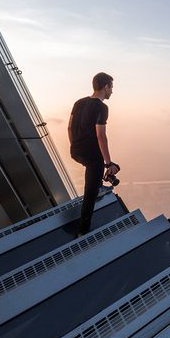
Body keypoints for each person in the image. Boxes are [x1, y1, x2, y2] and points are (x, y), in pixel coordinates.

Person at [68, 72, 120, 236]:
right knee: (90, 194)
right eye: (111, 87)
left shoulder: (79, 102)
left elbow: (69, 128)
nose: (112, 91)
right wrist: (108, 163)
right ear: (106, 87)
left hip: (75, 150)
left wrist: (75, 146)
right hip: (91, 155)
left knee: (96, 170)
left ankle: (98, 183)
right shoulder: (102, 107)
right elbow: (101, 136)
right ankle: (82, 232)